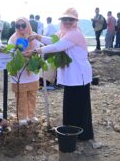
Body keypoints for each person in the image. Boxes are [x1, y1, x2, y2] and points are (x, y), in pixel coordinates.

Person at [25, 8, 94, 141]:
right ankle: (71, 131)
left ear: (75, 21)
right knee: (71, 104)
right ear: (62, 21)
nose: (67, 21)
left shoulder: (75, 33)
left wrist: (36, 51)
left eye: (71, 19)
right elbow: (54, 40)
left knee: (79, 105)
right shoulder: (65, 32)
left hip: (79, 75)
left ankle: (82, 134)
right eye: (65, 19)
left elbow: (57, 46)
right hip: (72, 76)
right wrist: (37, 36)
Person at [8, 17, 40, 126]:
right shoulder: (13, 38)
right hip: (19, 71)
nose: (21, 28)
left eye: (23, 25)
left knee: (32, 94)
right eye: (18, 26)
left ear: (28, 25)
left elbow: (38, 49)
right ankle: (22, 117)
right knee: (20, 95)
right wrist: (18, 51)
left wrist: (32, 53)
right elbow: (10, 52)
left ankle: (32, 115)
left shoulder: (33, 35)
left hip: (32, 69)